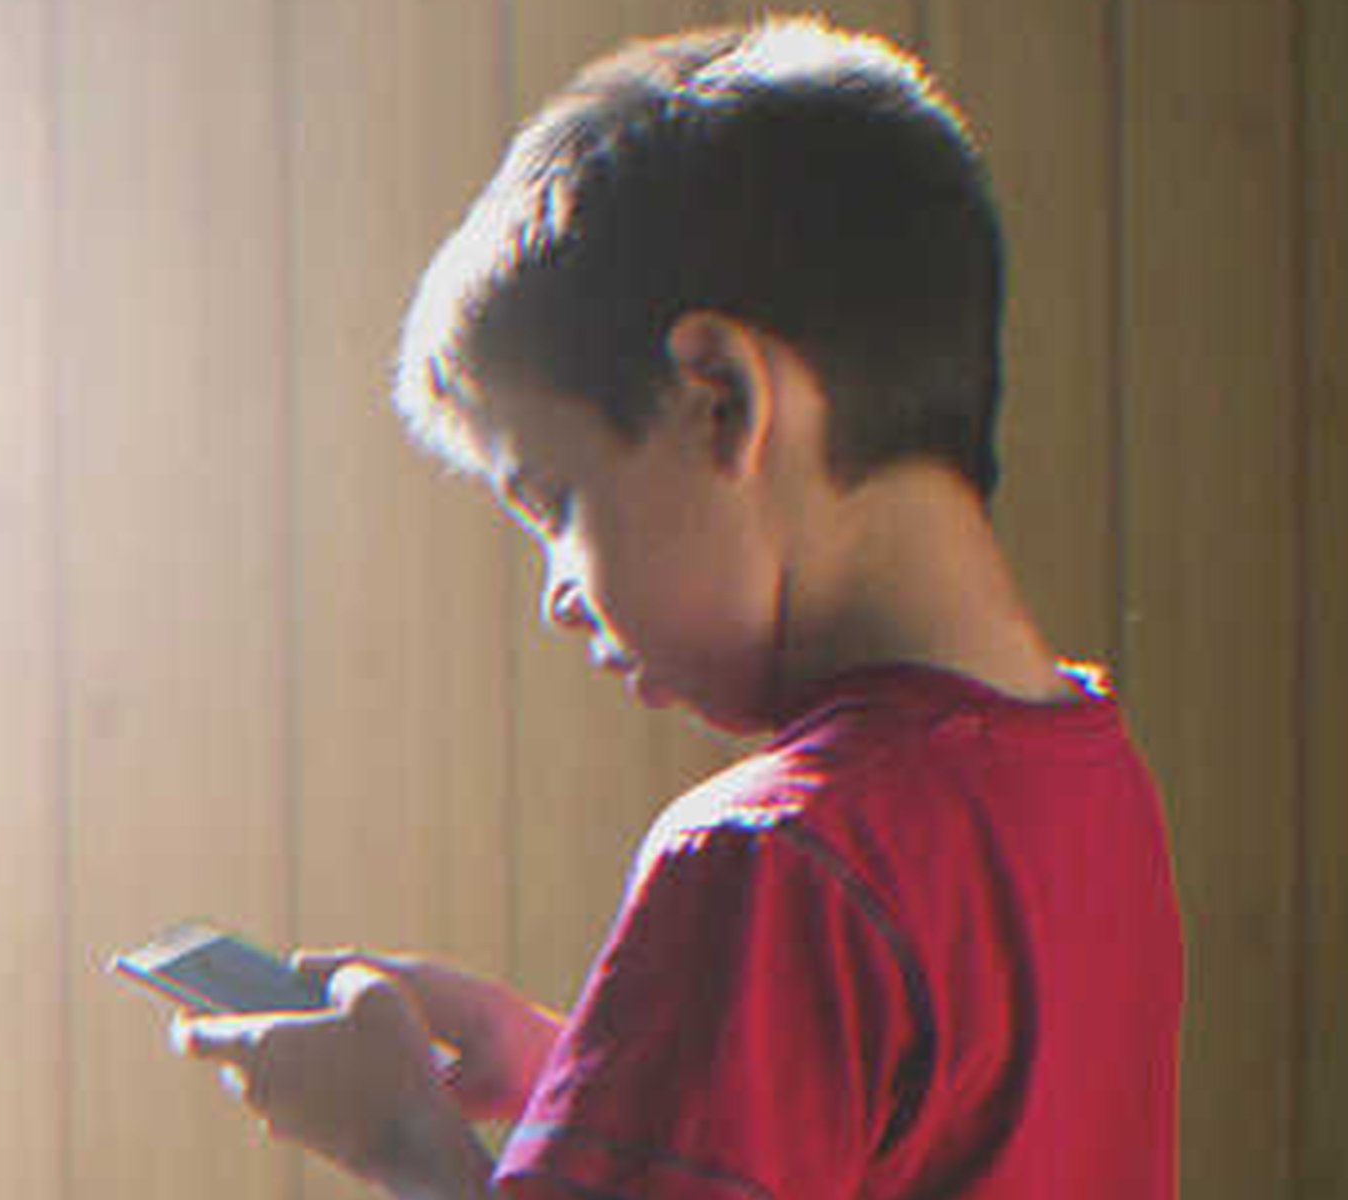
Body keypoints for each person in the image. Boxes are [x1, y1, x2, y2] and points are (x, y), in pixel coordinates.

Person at [171, 16, 1183, 1199]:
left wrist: (400, 1138)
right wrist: (581, 1075)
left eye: (555, 499)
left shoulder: (773, 859)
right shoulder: (1088, 781)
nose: (558, 593)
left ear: (717, 401)